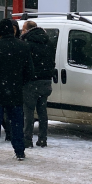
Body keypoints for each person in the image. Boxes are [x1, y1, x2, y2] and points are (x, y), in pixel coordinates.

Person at [0, 19, 34, 163]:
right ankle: (20, 151)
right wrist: (18, 83)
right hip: (15, 91)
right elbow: (29, 71)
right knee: (17, 123)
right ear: (13, 30)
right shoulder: (23, 47)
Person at [21, 20, 55, 148]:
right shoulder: (49, 42)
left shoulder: (27, 43)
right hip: (46, 80)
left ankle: (27, 139)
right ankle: (43, 138)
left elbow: (25, 63)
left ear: (28, 30)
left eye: (23, 29)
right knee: (42, 111)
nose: (22, 32)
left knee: (28, 112)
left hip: (31, 81)